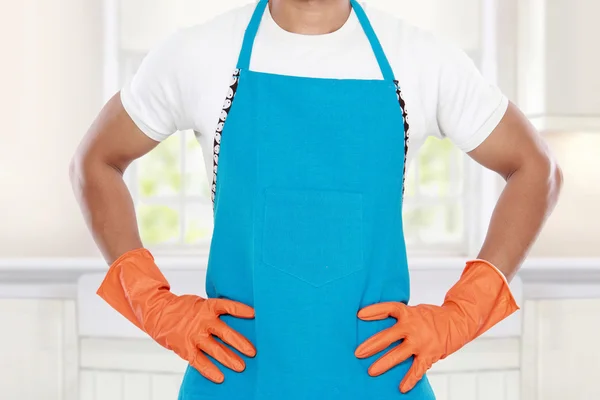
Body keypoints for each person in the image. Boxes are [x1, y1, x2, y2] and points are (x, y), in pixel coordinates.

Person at [70, 0, 563, 399]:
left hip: (379, 378)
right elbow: (94, 162)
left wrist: (462, 315)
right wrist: (153, 304)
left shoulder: (423, 60)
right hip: (235, 377)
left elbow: (536, 168)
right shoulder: (197, 53)